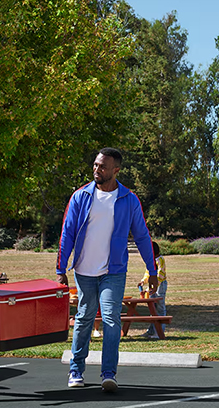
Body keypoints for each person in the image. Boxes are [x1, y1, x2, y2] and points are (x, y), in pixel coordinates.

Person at [57, 148, 157, 392]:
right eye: (95, 165)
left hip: (114, 270)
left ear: (116, 170)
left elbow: (142, 235)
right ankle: (76, 370)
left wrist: (151, 268)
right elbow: (67, 232)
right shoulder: (80, 196)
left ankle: (108, 373)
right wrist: (61, 268)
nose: (96, 170)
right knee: (84, 318)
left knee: (111, 319)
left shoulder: (129, 199)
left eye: (102, 166)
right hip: (84, 270)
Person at [138, 241, 167, 338]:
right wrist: (143, 281)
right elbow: (148, 273)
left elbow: (160, 274)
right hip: (152, 285)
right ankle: (151, 331)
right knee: (152, 308)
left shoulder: (160, 260)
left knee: (159, 307)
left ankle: (159, 332)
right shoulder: (151, 260)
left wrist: (155, 286)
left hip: (160, 285)